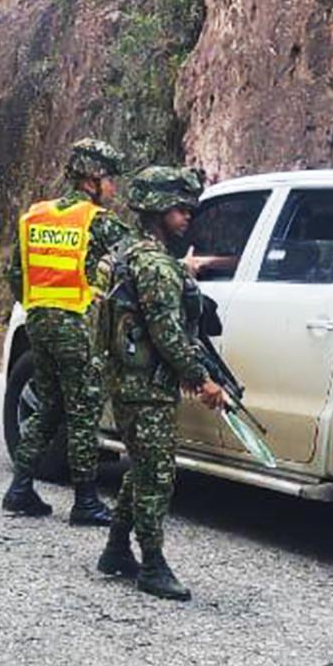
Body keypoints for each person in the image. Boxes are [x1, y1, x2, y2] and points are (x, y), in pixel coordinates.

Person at [94, 166, 227, 601]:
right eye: (178, 207)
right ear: (156, 210)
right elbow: (167, 333)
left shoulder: (132, 254)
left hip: (130, 380)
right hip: (145, 386)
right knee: (157, 473)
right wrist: (201, 380)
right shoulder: (153, 265)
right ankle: (152, 564)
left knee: (142, 466)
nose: (187, 214)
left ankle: (116, 550)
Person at [3, 139, 133, 525]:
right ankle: (86, 501)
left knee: (50, 405)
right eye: (110, 180)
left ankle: (21, 486)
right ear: (93, 179)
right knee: (83, 411)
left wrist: (39, 307)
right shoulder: (96, 221)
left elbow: (15, 274)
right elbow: (139, 255)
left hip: (39, 322)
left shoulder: (36, 215)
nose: (114, 188)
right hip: (76, 324)